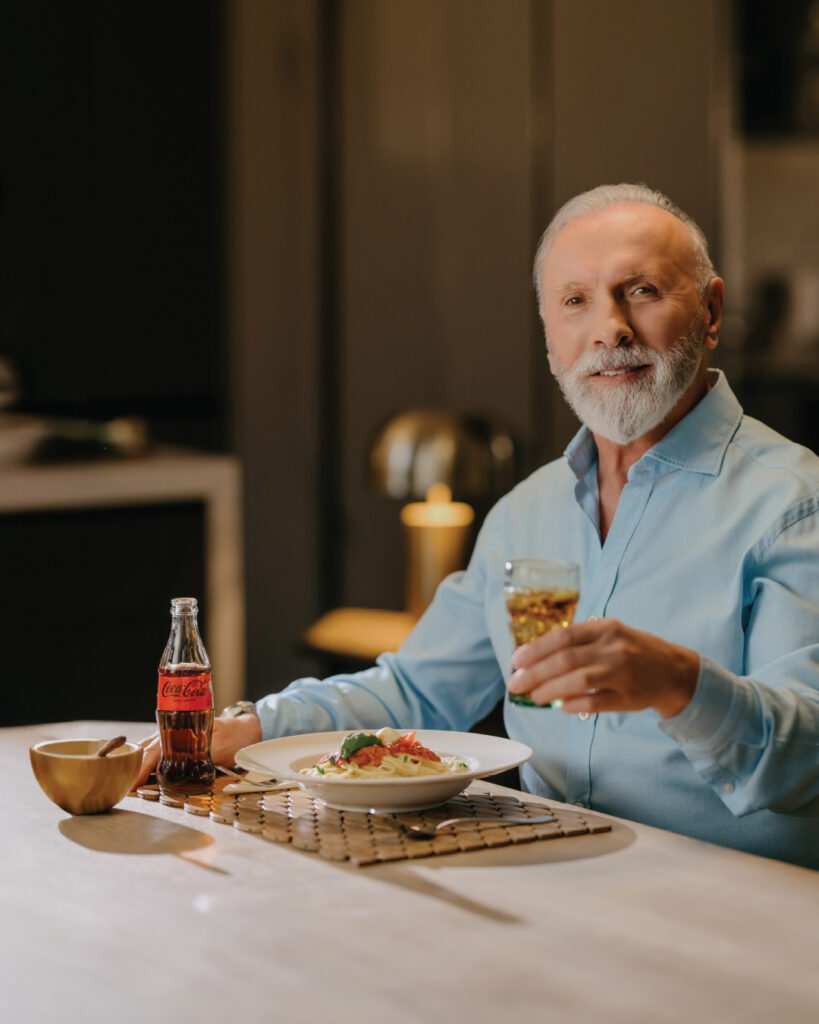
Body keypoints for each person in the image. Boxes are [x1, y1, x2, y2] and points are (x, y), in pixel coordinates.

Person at [137, 183, 819, 869]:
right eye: (575, 300)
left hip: (733, 906)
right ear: (550, 338)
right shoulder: (525, 511)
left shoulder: (793, 502)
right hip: (551, 873)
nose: (608, 328)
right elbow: (418, 691)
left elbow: (804, 761)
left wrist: (679, 682)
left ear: (711, 312)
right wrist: (248, 728)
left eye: (640, 291)